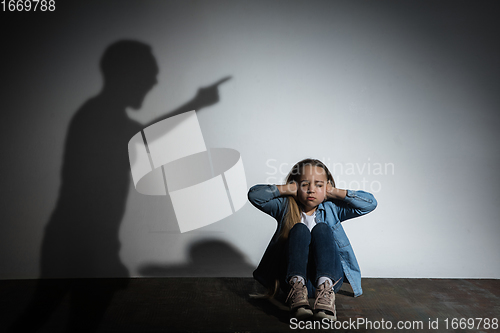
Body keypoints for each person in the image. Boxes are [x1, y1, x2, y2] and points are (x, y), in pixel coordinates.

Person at [247, 158, 377, 321]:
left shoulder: (333, 208)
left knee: (322, 228)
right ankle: (297, 295)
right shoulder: (285, 207)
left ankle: (325, 295)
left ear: (327, 187)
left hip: (327, 283)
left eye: (319, 185)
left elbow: (370, 203)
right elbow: (255, 195)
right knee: (299, 229)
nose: (311, 190)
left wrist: (334, 192)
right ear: (295, 186)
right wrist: (287, 189)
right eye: (304, 184)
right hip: (292, 283)